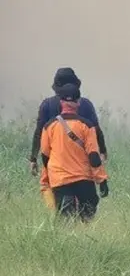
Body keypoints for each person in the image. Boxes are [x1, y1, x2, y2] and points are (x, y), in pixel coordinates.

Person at [39, 83, 110, 221]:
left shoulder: (49, 127)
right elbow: (94, 156)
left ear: (61, 102)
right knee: (88, 214)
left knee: (66, 218)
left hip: (59, 180)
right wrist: (102, 181)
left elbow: (45, 156)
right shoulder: (86, 125)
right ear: (78, 102)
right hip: (83, 179)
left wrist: (48, 178)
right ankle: (85, 236)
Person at [30, 67, 109, 177]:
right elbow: (96, 130)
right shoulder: (85, 104)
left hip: (56, 166)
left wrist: (33, 158)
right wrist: (103, 152)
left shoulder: (47, 105)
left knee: (54, 192)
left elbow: (39, 133)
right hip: (81, 167)